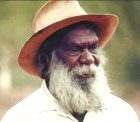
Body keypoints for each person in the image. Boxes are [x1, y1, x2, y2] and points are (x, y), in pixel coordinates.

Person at [1, 1, 139, 122]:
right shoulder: (21, 118)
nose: (89, 58)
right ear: (46, 60)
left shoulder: (121, 113)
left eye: (93, 47)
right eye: (74, 49)